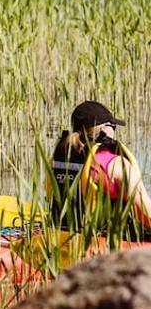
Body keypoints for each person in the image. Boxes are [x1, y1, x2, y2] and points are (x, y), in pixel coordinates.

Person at [49, 100, 151, 238]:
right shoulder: (115, 164)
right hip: (100, 243)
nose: (114, 130)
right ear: (104, 130)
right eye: (113, 126)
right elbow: (146, 215)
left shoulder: (58, 158)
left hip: (59, 236)